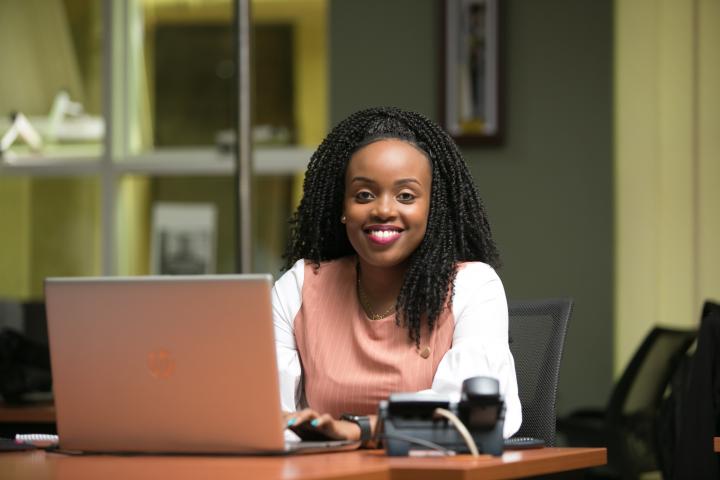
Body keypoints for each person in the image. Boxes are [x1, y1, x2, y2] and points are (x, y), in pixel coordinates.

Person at [272, 106, 520, 445]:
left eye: (406, 195)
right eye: (364, 195)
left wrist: (362, 429)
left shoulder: (473, 287)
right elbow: (269, 415)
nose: (384, 210)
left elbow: (478, 417)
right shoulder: (299, 287)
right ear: (342, 208)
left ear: (432, 207)